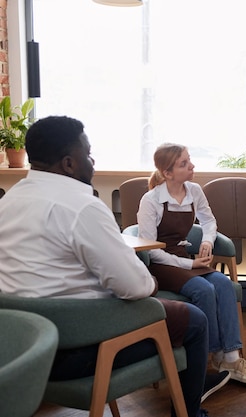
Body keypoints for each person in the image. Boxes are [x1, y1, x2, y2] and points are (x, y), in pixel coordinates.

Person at [0, 116, 229, 417]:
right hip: (79, 348)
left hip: (21, 345)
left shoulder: (10, 200)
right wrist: (151, 282)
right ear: (69, 163)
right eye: (89, 153)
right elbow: (135, 287)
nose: (92, 162)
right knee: (195, 321)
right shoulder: (83, 208)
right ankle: (190, 412)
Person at [137, 143, 246, 385]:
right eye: (184, 164)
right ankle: (216, 354)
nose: (192, 166)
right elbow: (152, 251)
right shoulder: (150, 200)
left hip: (186, 259)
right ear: (167, 173)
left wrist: (207, 241)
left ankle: (232, 357)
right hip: (163, 264)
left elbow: (209, 221)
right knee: (204, 289)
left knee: (223, 284)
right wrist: (190, 265)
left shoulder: (194, 190)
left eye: (189, 160)